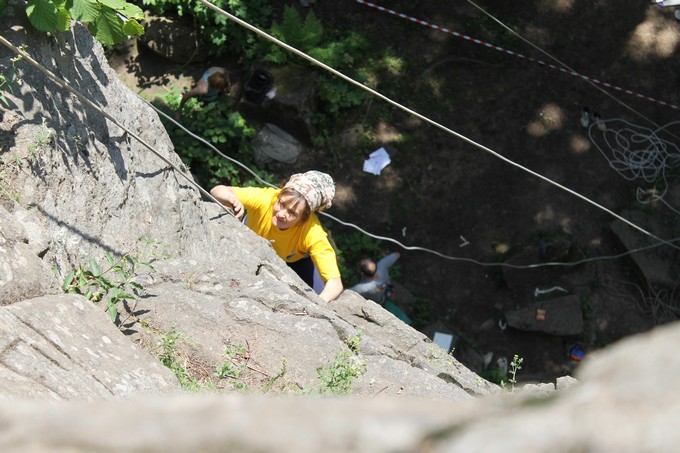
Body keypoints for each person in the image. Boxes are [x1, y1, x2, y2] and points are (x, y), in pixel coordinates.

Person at [210, 171, 343, 302]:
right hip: (250, 244)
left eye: (292, 213)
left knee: (317, 292)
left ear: (303, 219)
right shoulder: (265, 199)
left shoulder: (312, 231)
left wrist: (320, 302)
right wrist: (232, 199)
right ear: (279, 194)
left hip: (295, 262)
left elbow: (335, 284)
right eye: (282, 203)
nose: (281, 214)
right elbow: (217, 190)